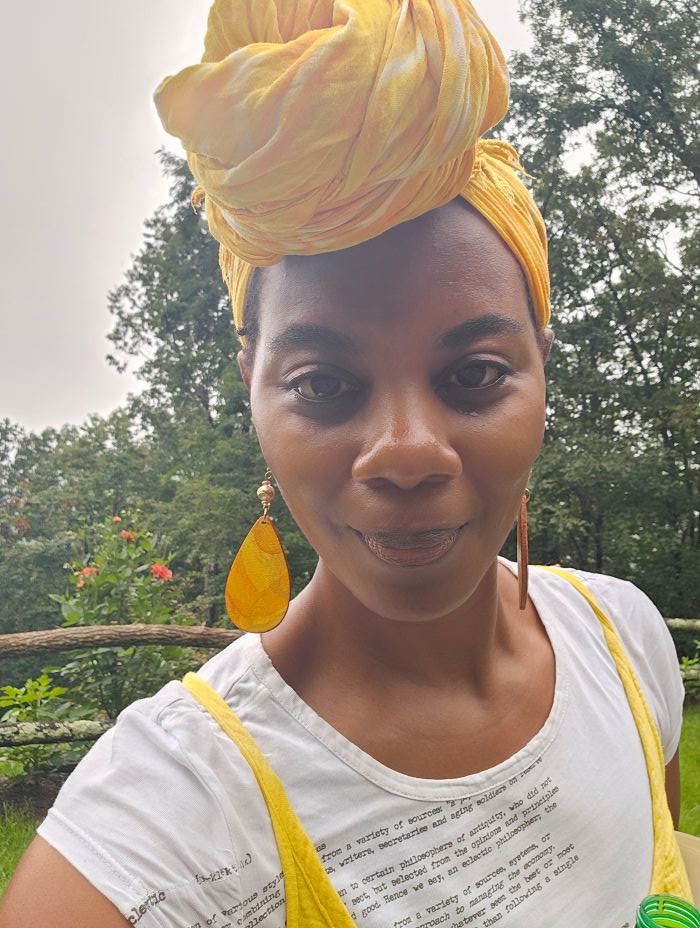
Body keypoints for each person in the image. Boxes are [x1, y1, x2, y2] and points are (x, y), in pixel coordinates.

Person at [1, 1, 691, 926]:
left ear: (541, 364)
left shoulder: (627, 642)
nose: (406, 452)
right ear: (254, 387)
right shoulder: (164, 831)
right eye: (325, 384)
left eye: (475, 373)